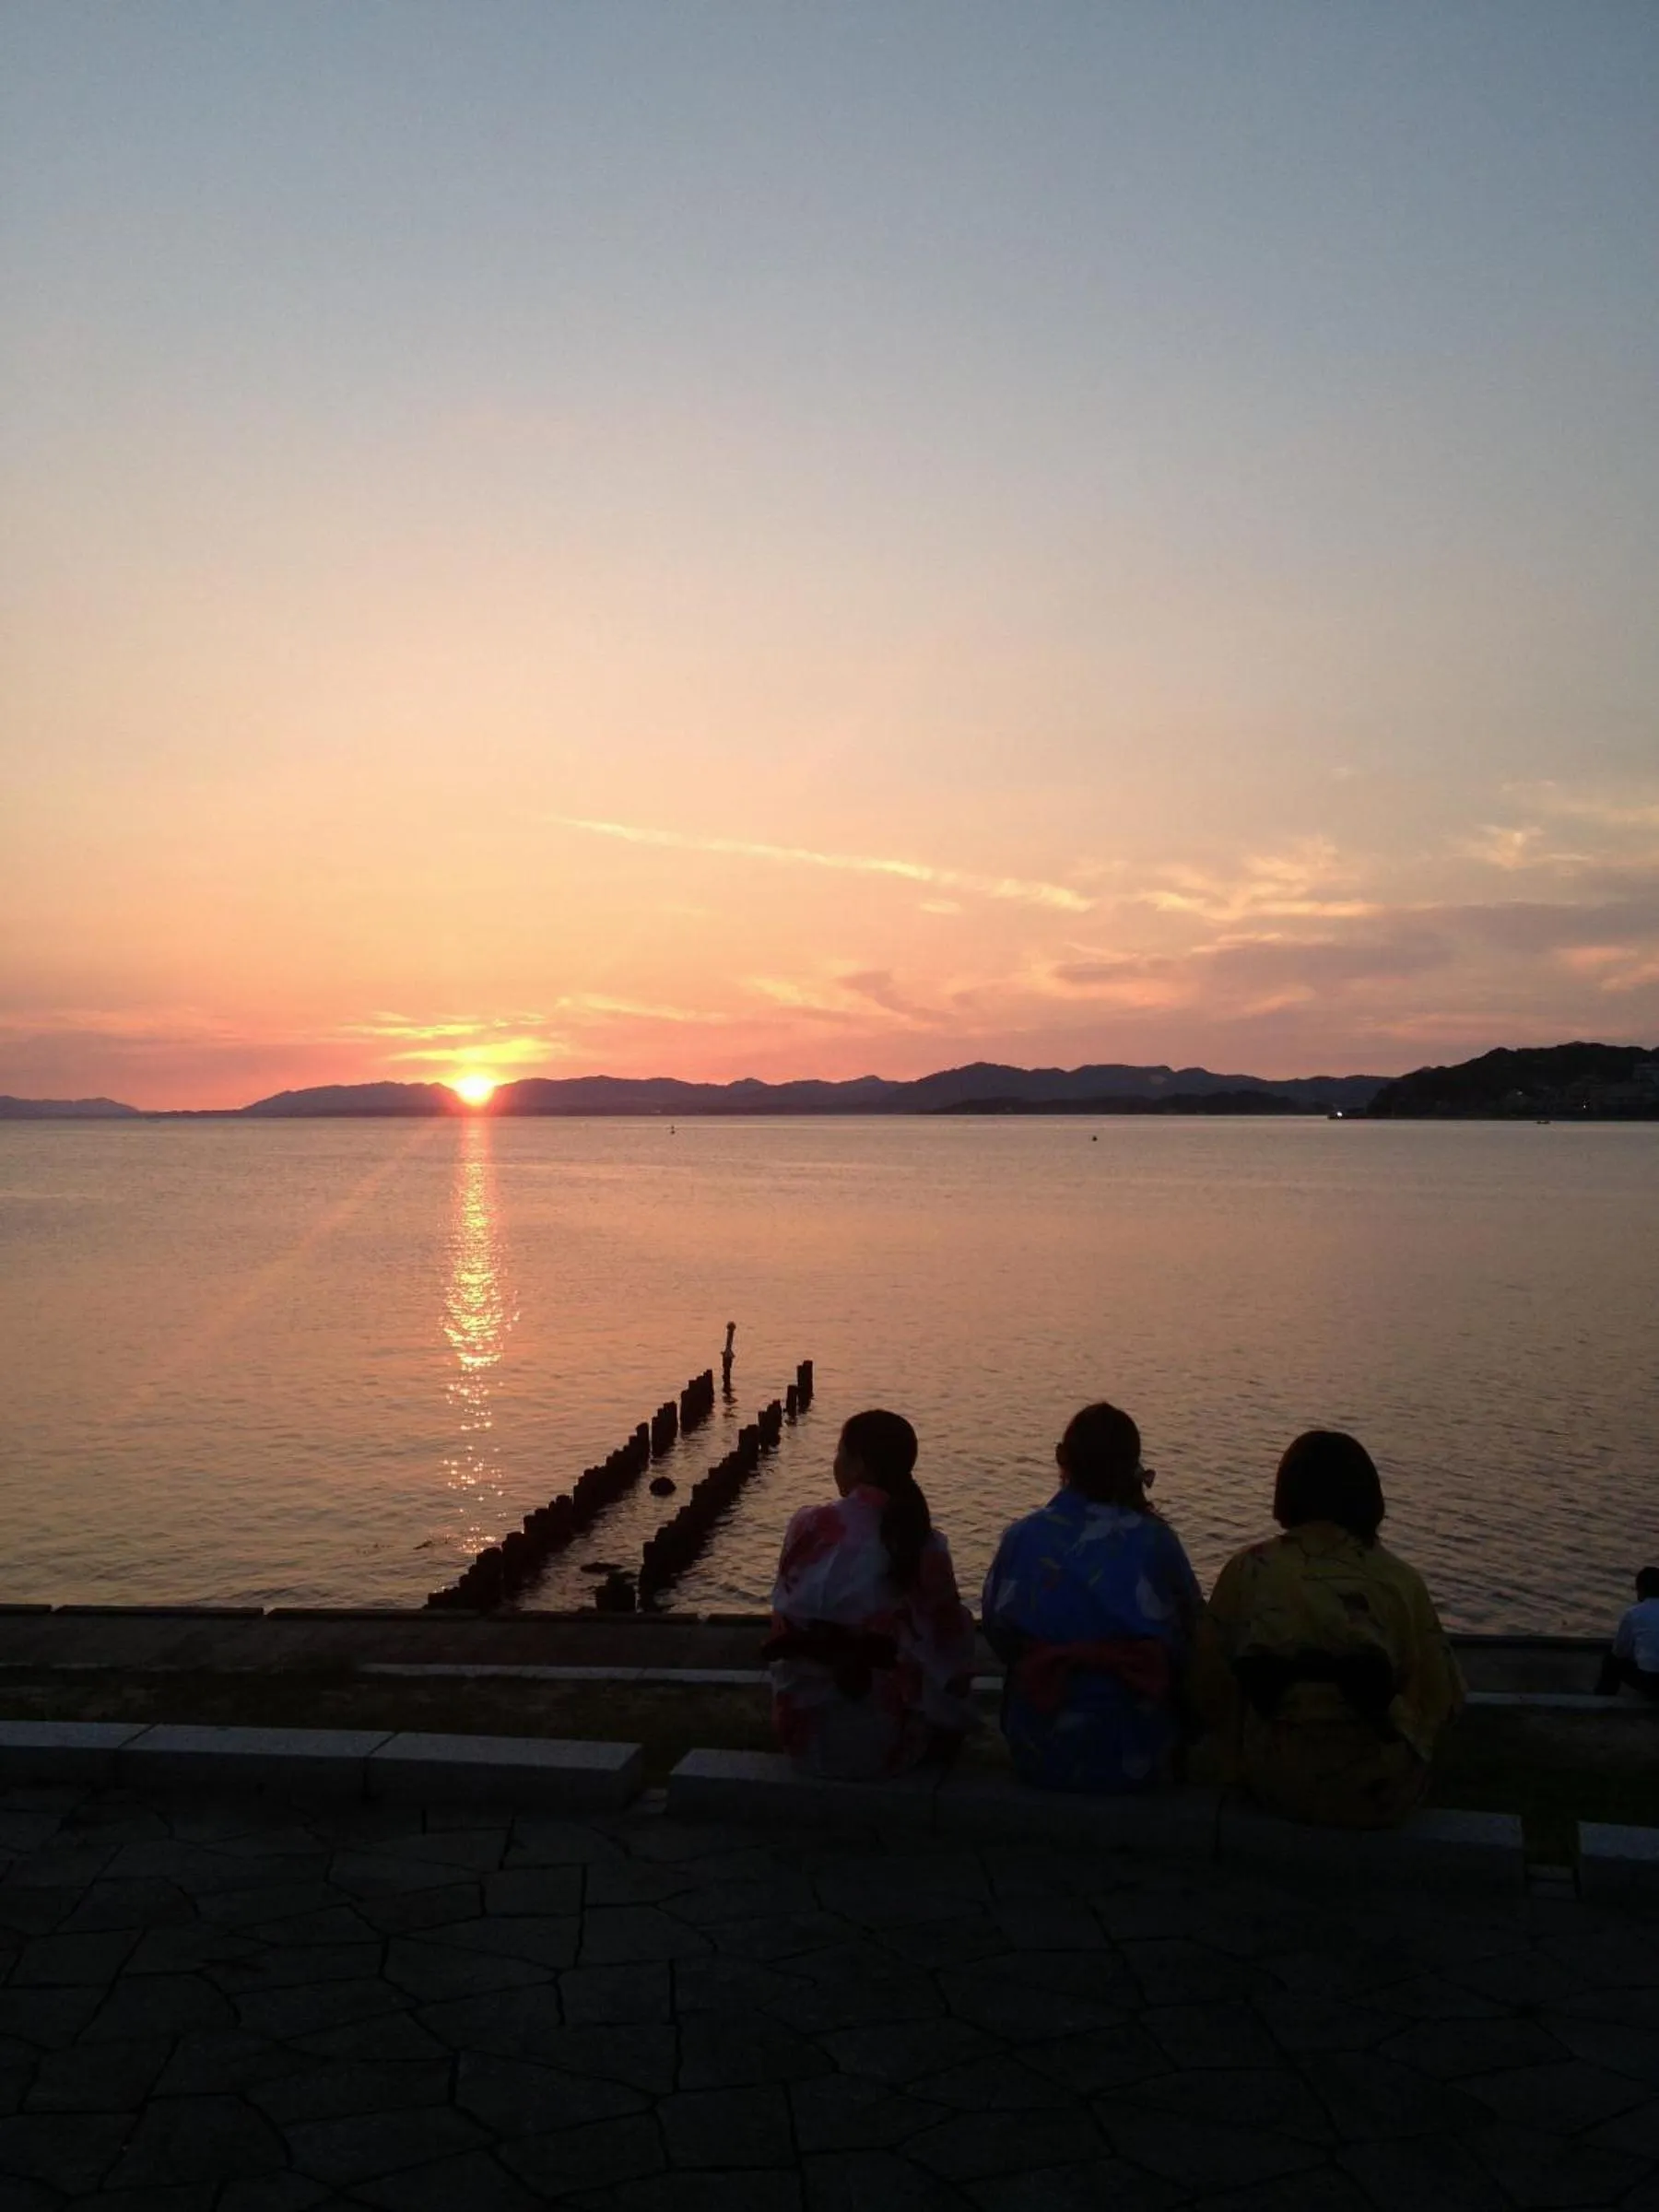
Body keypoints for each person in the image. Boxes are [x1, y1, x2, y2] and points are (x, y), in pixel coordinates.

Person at [1196, 1430, 1464, 1829]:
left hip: (1274, 1783)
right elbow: (1441, 1700)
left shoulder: (1248, 1570)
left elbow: (1209, 1685)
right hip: (1377, 1794)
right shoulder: (1397, 1582)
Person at [981, 1402, 1201, 1791]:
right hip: (1140, 1750)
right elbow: (1191, 1629)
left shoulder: (1023, 1537)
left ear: (1061, 1459)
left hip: (1042, 1749)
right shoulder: (1155, 1540)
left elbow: (1000, 1633)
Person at [765, 1409, 977, 1781]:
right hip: (890, 1741)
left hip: (805, 1734)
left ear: (859, 1464)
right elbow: (950, 1647)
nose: (835, 1463)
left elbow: (785, 1618)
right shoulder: (925, 1543)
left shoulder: (807, 1525)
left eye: (839, 1452)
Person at [1594, 1568, 1659, 1701]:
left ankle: (1602, 1700)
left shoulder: (1634, 1614)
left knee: (1611, 1661)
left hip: (1652, 1682)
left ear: (1641, 1589)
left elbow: (1619, 1651)